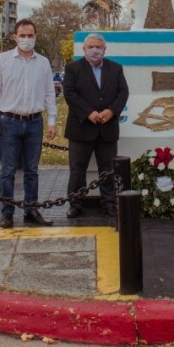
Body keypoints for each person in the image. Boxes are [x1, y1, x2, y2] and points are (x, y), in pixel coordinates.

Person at [0, 19, 57, 228]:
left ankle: (31, 210)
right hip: (8, 121)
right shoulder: (2, 60)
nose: (27, 39)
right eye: (23, 35)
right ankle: (7, 212)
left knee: (32, 170)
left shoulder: (43, 62)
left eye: (30, 35)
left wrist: (52, 120)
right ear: (15, 37)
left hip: (34, 122)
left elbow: (49, 93)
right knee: (8, 170)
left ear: (35, 36)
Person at [62, 33, 129, 218]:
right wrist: (88, 112)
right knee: (77, 170)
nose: (94, 50)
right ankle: (75, 203)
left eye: (98, 47)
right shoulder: (72, 68)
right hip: (81, 128)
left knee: (107, 170)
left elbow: (123, 93)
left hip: (107, 128)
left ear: (104, 49)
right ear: (83, 49)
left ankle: (109, 203)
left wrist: (111, 111)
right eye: (90, 46)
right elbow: (69, 94)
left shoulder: (115, 68)